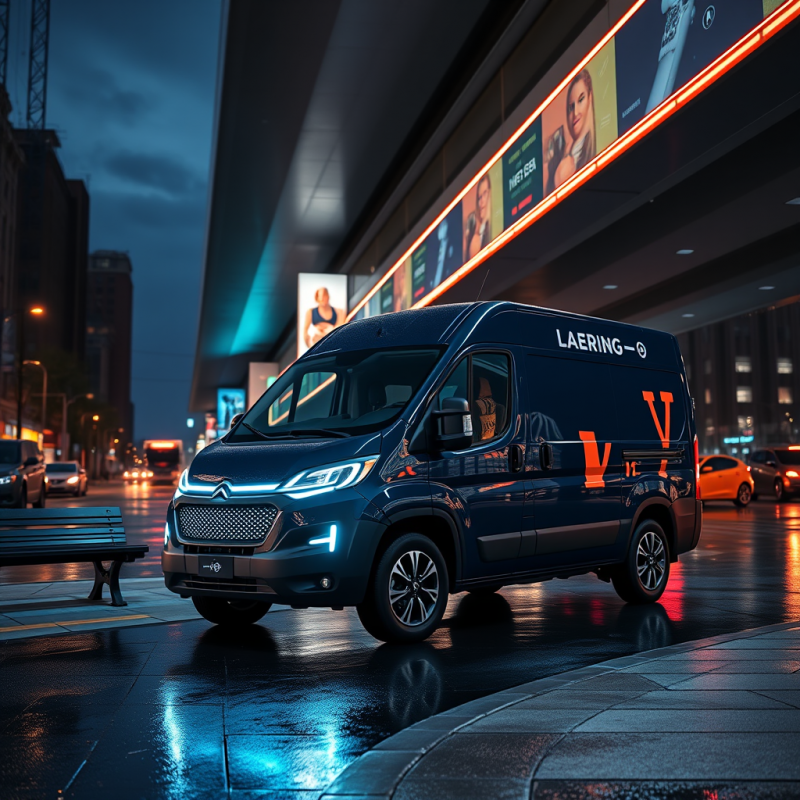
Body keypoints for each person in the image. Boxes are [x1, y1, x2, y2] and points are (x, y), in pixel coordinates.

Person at [548, 69, 597, 192]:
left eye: (581, 100)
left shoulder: (591, 152)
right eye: (571, 107)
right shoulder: (564, 157)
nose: (575, 113)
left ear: (590, 99)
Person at [464, 173, 493, 260]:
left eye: (485, 194)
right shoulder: (474, 224)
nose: (482, 201)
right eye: (479, 197)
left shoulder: (491, 227)